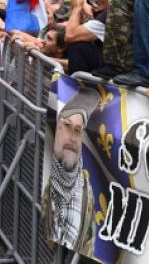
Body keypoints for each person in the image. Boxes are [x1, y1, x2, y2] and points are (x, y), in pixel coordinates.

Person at [40, 87, 99, 257]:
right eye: (67, 126)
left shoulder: (85, 193)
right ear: (56, 127)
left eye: (78, 131)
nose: (72, 138)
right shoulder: (49, 179)